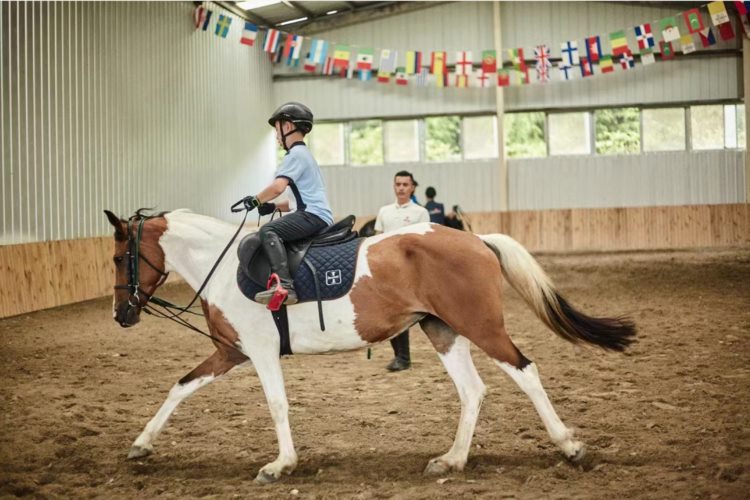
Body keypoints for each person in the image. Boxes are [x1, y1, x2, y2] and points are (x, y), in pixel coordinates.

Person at [241, 102, 334, 305]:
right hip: (313, 213)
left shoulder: (296, 155)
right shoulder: (304, 156)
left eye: (277, 130)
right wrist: (273, 207)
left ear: (288, 127)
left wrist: (255, 200)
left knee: (268, 231)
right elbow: (296, 200)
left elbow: (277, 187)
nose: (276, 136)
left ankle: (284, 286)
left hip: (312, 215)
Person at [374, 170, 430, 372]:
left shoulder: (420, 213)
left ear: (412, 187)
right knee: (390, 314)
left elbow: (425, 245)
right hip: (386, 270)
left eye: (405, 185)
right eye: (398, 184)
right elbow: (377, 239)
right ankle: (400, 356)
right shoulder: (384, 211)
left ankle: (403, 357)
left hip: (409, 272)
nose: (401, 188)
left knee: (401, 313)